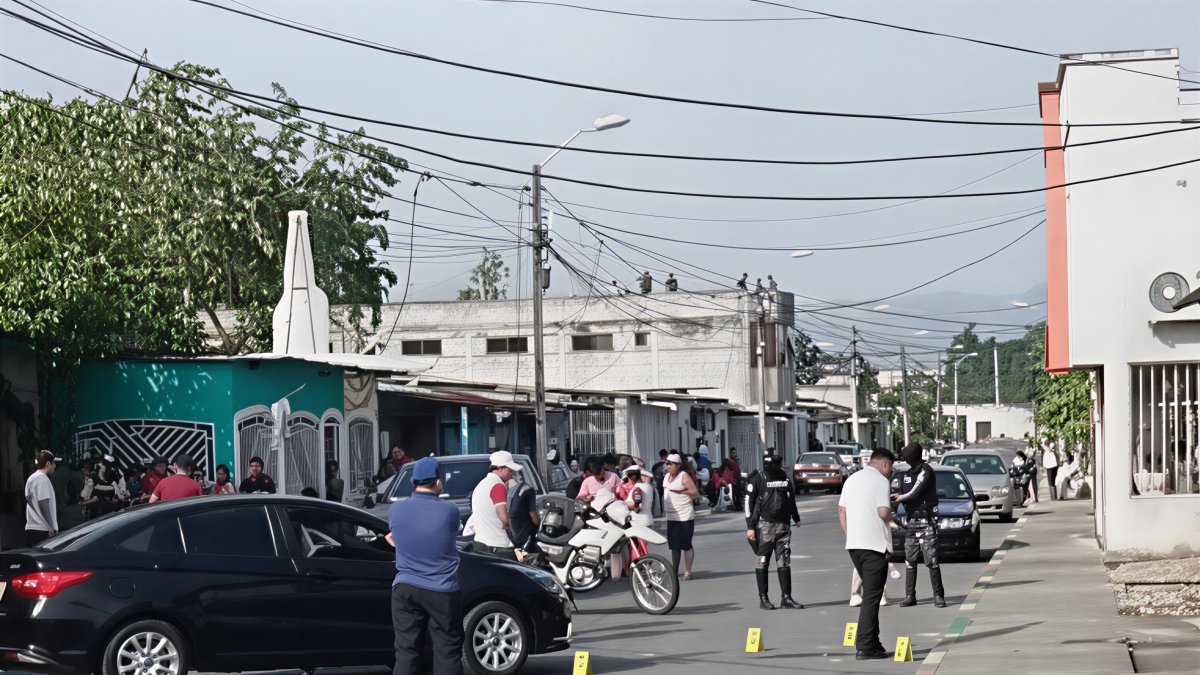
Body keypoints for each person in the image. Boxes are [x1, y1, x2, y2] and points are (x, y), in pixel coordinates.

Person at [385, 456, 463, 675]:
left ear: (413, 482)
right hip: (441, 589)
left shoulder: (396, 510)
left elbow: (397, 536)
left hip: (405, 587)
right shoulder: (449, 510)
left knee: (406, 651)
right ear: (437, 482)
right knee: (447, 650)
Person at [838, 448, 898, 661]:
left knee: (871, 595)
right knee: (872, 598)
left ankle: (874, 642)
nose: (891, 471)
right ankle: (865, 646)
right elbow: (883, 512)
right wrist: (893, 514)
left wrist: (851, 535)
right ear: (884, 464)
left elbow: (842, 510)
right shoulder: (881, 481)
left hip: (855, 545)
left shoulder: (851, 479)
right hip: (875, 547)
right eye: (891, 466)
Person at [745, 448, 803, 610]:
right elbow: (748, 503)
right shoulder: (758, 478)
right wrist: (750, 526)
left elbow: (791, 499)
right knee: (762, 561)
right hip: (764, 526)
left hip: (783, 524)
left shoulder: (785, 479)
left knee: (783, 561)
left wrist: (796, 517)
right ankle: (763, 598)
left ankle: (786, 598)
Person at [891, 442, 945, 608]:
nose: (904, 459)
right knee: (910, 560)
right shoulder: (906, 474)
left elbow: (915, 492)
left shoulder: (926, 471)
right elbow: (898, 491)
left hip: (926, 521)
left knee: (931, 559)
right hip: (910, 522)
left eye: (906, 456)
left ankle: (938, 595)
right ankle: (910, 596)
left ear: (913, 456)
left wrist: (900, 497)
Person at [469, 450, 522, 560]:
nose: (511, 472)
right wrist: (508, 525)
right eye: (509, 469)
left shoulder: (481, 485)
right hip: (498, 546)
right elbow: (502, 515)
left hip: (480, 543)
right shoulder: (498, 485)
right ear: (500, 468)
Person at [663, 453, 699, 580]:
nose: (667, 466)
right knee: (674, 545)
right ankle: (674, 570)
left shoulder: (684, 477)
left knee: (686, 544)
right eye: (667, 463)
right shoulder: (666, 477)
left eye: (670, 464)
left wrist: (685, 492)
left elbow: (695, 493)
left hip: (684, 516)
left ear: (678, 465)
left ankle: (688, 571)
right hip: (671, 516)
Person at [24, 450, 58, 547]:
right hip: (43, 530)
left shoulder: (31, 478)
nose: (55, 466)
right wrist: (51, 527)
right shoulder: (42, 478)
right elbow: (43, 502)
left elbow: (29, 500)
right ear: (48, 463)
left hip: (32, 528)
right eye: (54, 463)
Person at [506, 470, 539, 555]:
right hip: (524, 532)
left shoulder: (505, 489)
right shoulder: (527, 489)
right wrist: (538, 525)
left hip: (510, 533)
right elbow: (533, 514)